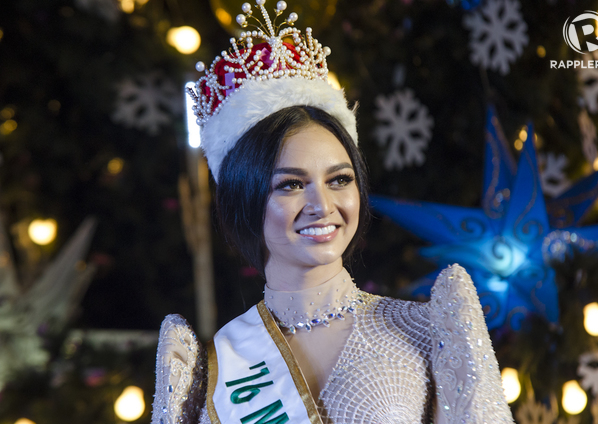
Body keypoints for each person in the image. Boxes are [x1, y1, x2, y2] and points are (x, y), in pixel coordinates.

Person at [151, 1, 515, 423]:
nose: (322, 205)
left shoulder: (427, 330)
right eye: (290, 184)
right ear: (245, 200)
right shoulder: (208, 371)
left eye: (339, 179)